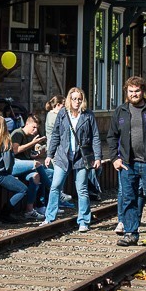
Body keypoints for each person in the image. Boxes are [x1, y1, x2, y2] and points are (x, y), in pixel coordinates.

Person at [106, 76, 146, 246]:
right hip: (128, 164)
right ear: (126, 92)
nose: (134, 94)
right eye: (131, 91)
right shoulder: (121, 111)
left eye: (137, 91)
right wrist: (114, 158)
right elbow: (112, 136)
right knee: (129, 198)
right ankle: (131, 233)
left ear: (143, 91)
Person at [43, 87, 101, 232]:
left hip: (81, 157)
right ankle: (49, 217)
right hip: (63, 156)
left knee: (82, 189)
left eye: (79, 99)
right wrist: (49, 154)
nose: (77, 101)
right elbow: (56, 134)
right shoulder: (63, 114)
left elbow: (95, 136)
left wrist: (98, 157)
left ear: (83, 100)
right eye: (74, 98)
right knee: (55, 186)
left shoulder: (88, 115)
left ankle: (83, 221)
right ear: (69, 99)